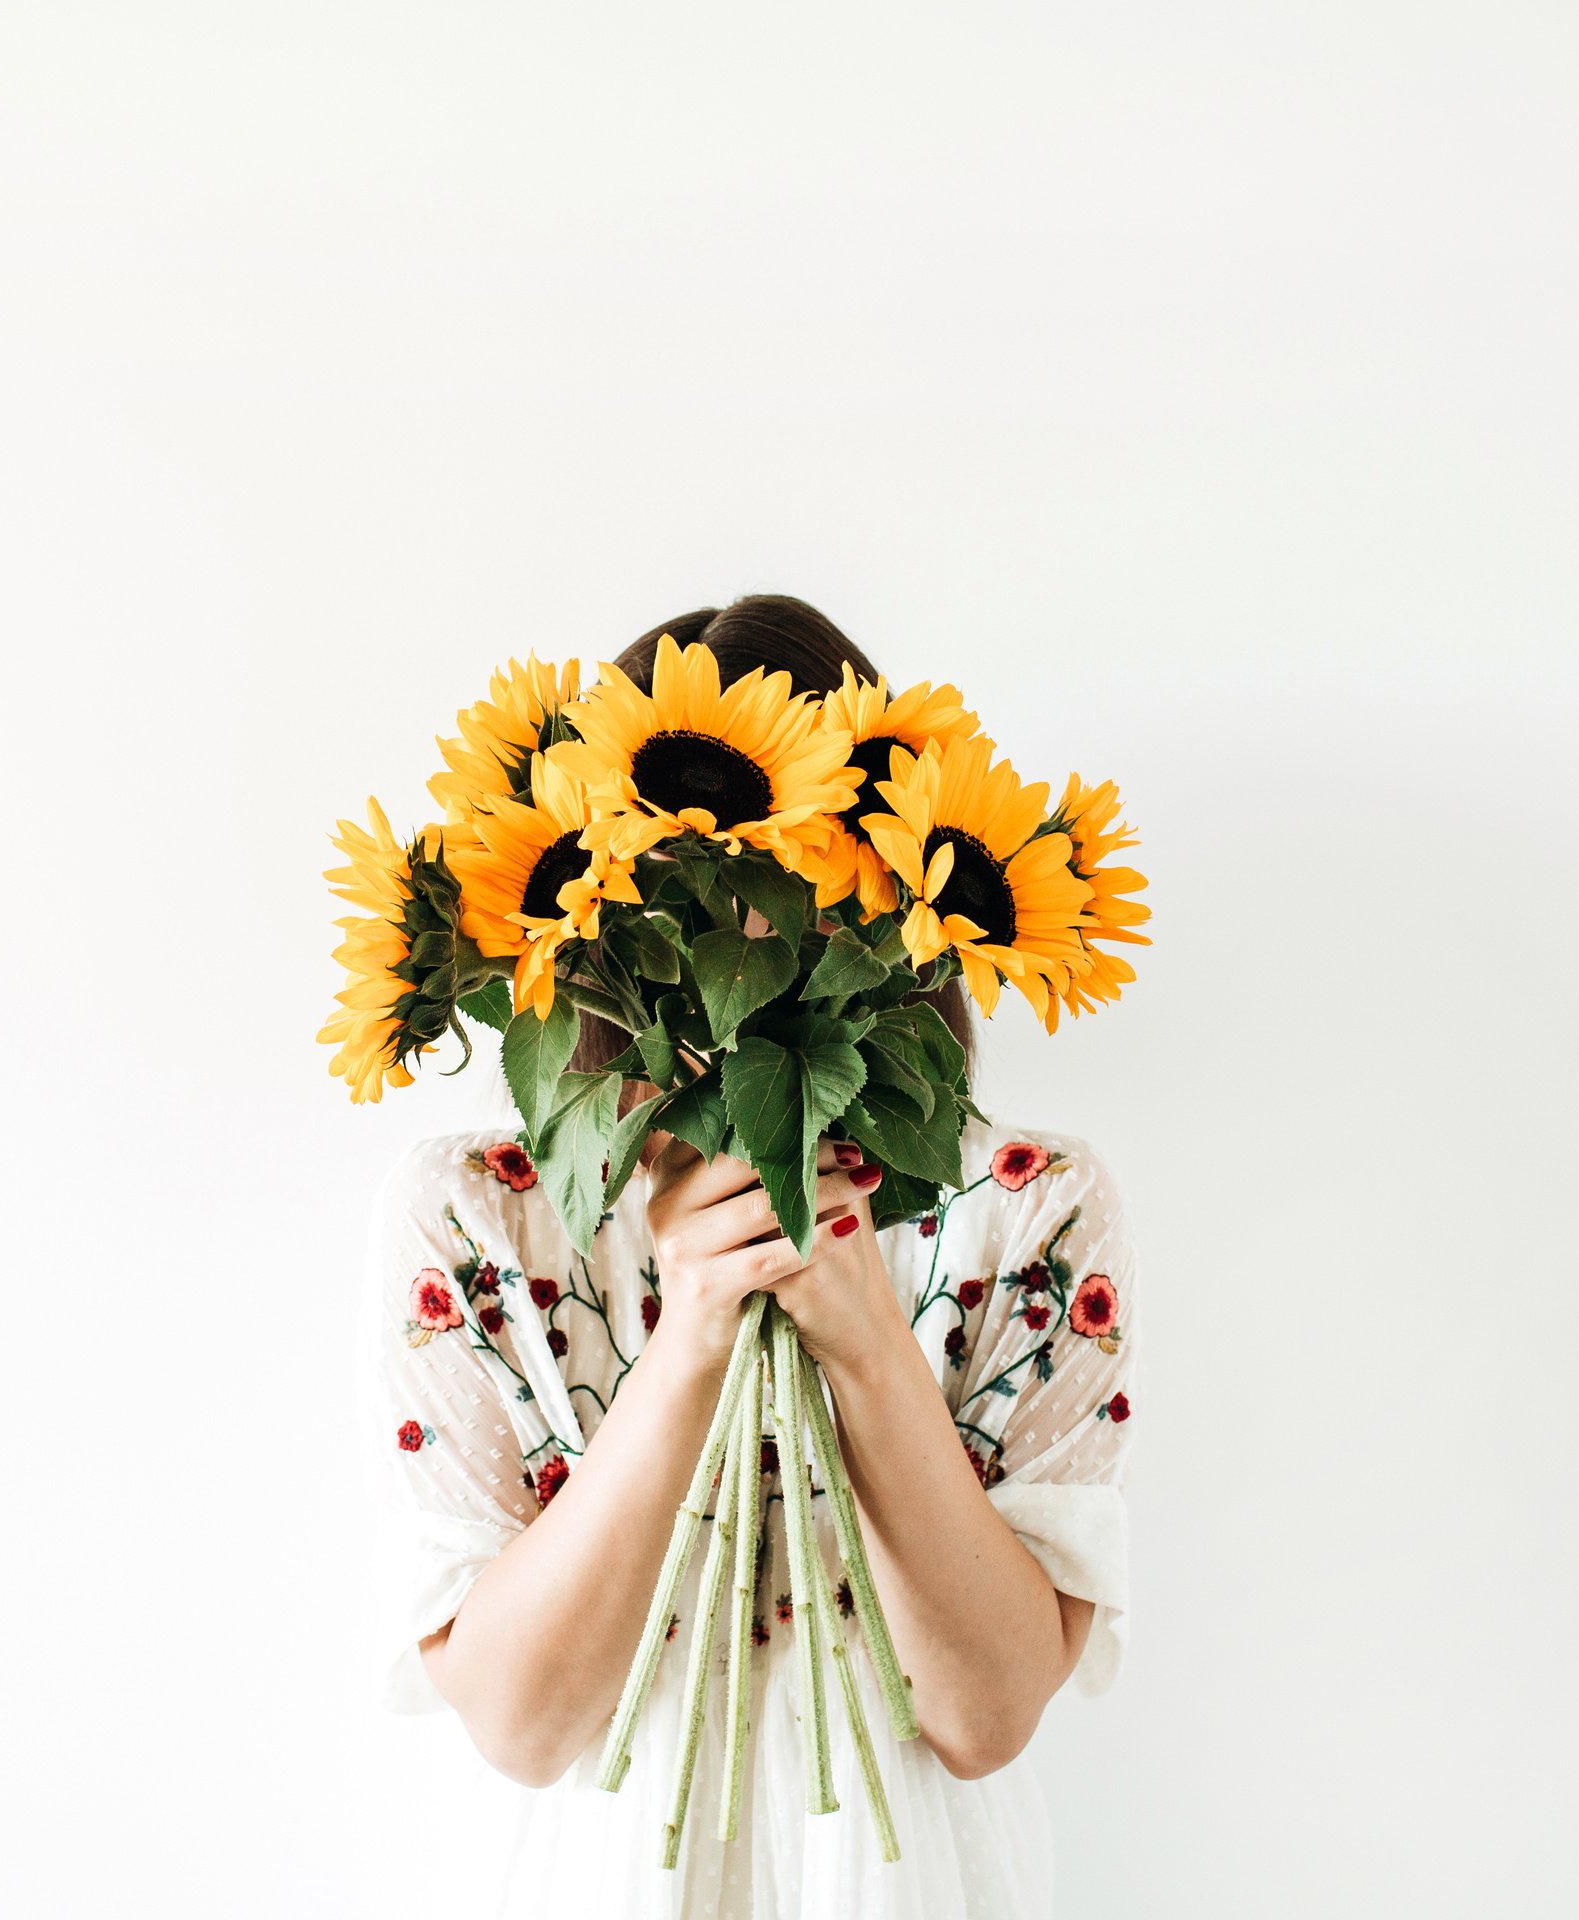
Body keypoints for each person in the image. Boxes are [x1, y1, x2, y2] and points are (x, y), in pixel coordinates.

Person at [358, 596, 1140, 1919]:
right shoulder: (485, 1220)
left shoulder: (1022, 1211)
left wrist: (870, 1344)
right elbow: (523, 1723)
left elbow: (987, 1713)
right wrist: (690, 1345)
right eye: (680, 877)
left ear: (890, 882)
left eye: (805, 860)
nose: (743, 918)